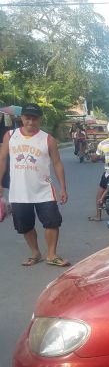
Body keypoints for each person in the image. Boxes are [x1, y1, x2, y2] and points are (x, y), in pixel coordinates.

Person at [0, 103, 70, 267]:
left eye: (35, 119)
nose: (31, 122)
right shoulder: (10, 136)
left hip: (44, 191)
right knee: (24, 226)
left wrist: (63, 188)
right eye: (27, 118)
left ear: (40, 119)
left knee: (52, 222)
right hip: (19, 192)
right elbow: (2, 159)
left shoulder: (48, 139)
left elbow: (57, 163)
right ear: (22, 118)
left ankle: (51, 255)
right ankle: (35, 253)